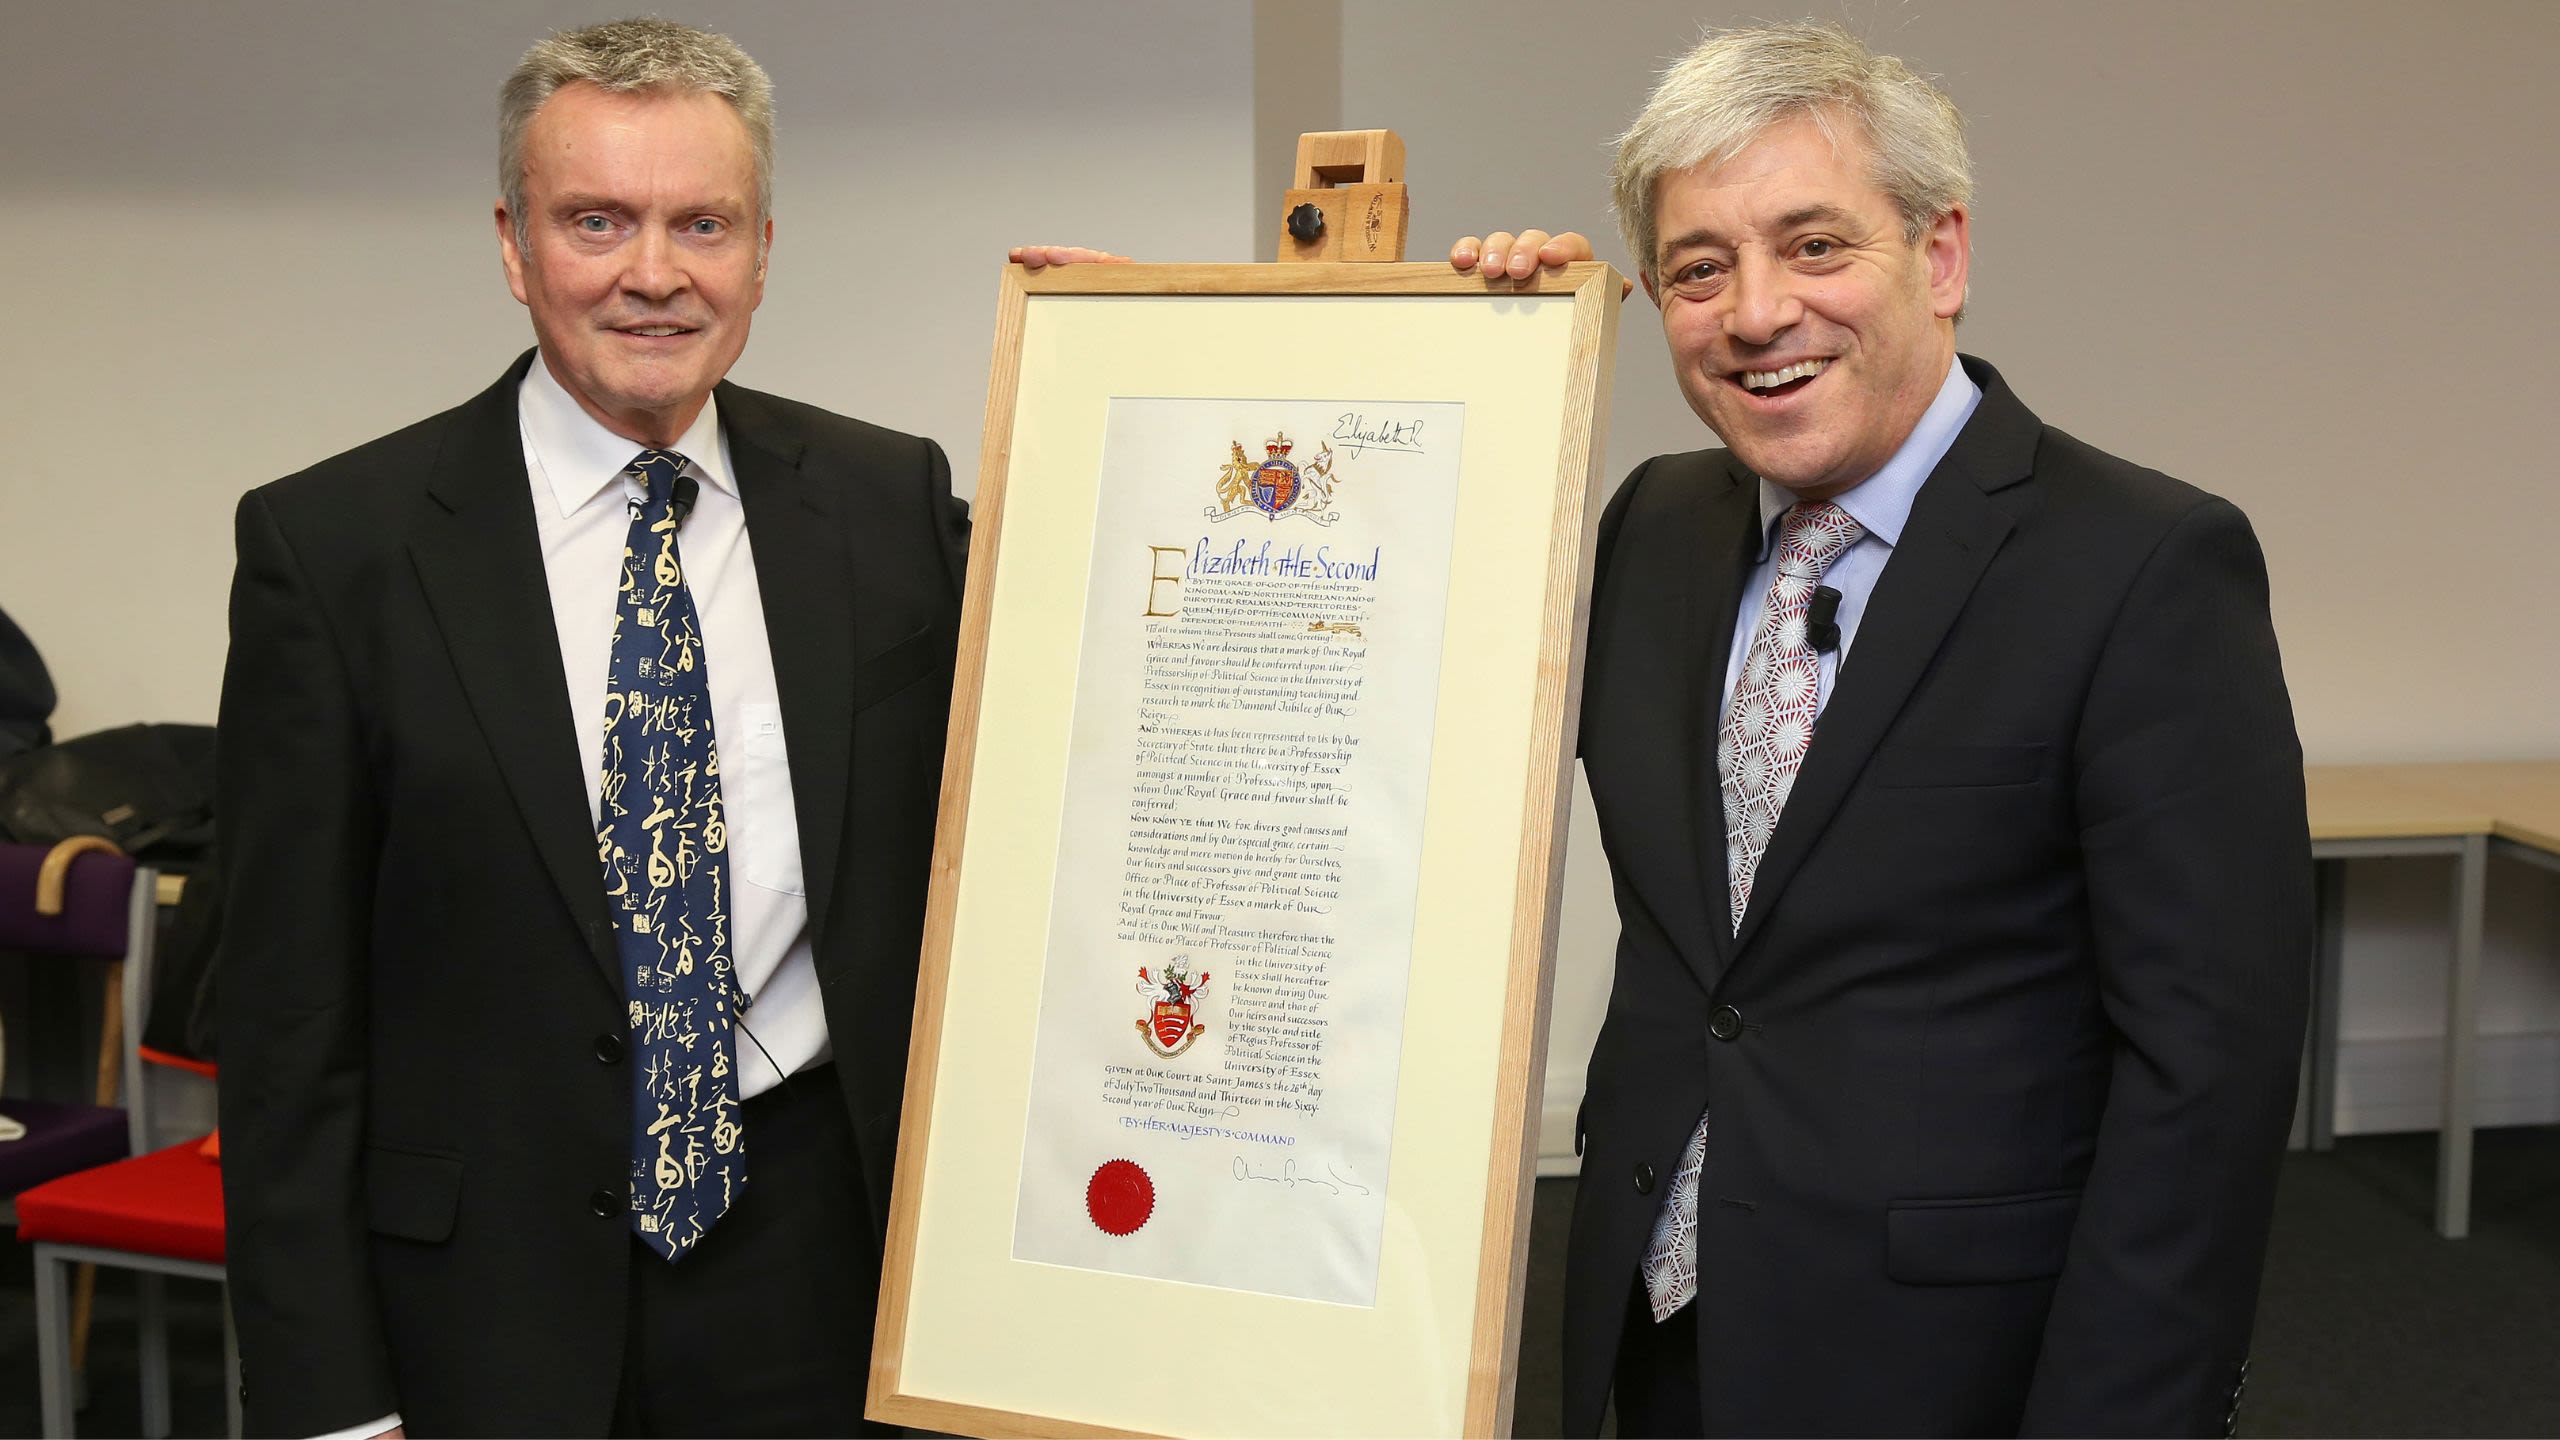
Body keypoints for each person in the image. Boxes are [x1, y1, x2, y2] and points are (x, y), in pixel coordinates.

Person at [1453, 23, 2309, 1437]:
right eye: (1698, 268)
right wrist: (1412, 357)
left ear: (1943, 257)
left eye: (1815, 246)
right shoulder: (1650, 528)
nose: (1756, 312)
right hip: (1654, 1326)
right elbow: (1416, 676)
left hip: (1953, 1366)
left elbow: (2205, 1082)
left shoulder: (2146, 566)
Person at [215, 19, 1056, 1436]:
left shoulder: (882, 504)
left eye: (702, 224)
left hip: (821, 1272)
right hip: (483, 1308)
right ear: (512, 242)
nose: (654, 273)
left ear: (765, 248)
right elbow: (288, 1025)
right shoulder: (336, 549)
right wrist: (331, 1406)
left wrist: (1138, 345)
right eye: (596, 221)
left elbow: (1116, 626)